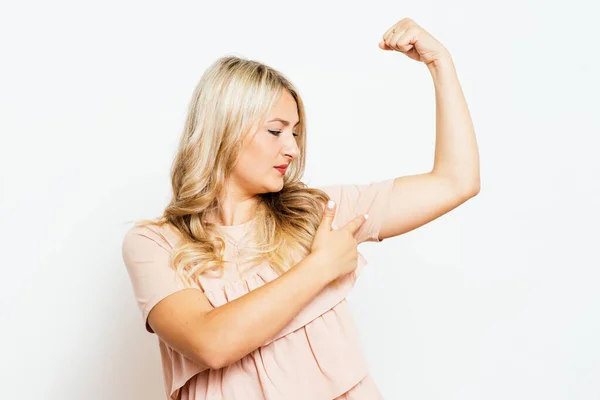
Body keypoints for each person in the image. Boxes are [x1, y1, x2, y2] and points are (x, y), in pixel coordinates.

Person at [122, 18, 479, 400]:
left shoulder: (316, 214)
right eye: (276, 131)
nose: (292, 148)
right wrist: (320, 267)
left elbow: (456, 181)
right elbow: (212, 343)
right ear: (223, 130)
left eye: (295, 133)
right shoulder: (155, 244)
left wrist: (441, 64)